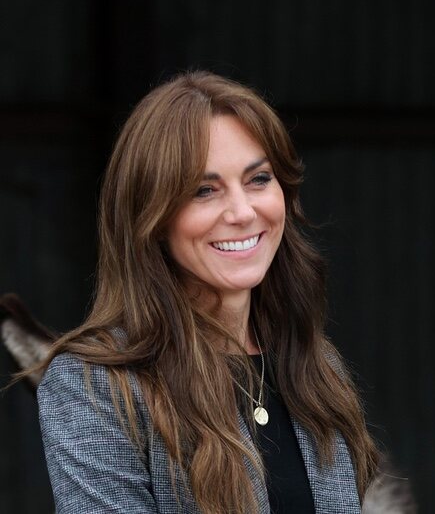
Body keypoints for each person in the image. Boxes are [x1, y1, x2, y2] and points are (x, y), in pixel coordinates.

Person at [35, 71, 379, 513]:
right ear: (152, 218)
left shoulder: (315, 364)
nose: (242, 211)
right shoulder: (95, 386)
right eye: (204, 190)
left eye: (258, 179)